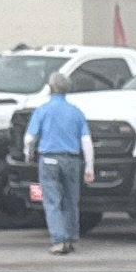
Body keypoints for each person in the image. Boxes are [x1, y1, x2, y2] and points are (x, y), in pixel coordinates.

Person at [27, 67, 90, 252]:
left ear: (50, 87)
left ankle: (59, 240)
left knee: (52, 201)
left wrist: (28, 153)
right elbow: (86, 140)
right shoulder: (76, 112)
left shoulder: (42, 110)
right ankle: (71, 238)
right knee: (71, 201)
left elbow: (30, 138)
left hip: (48, 160)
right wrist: (90, 167)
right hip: (72, 160)